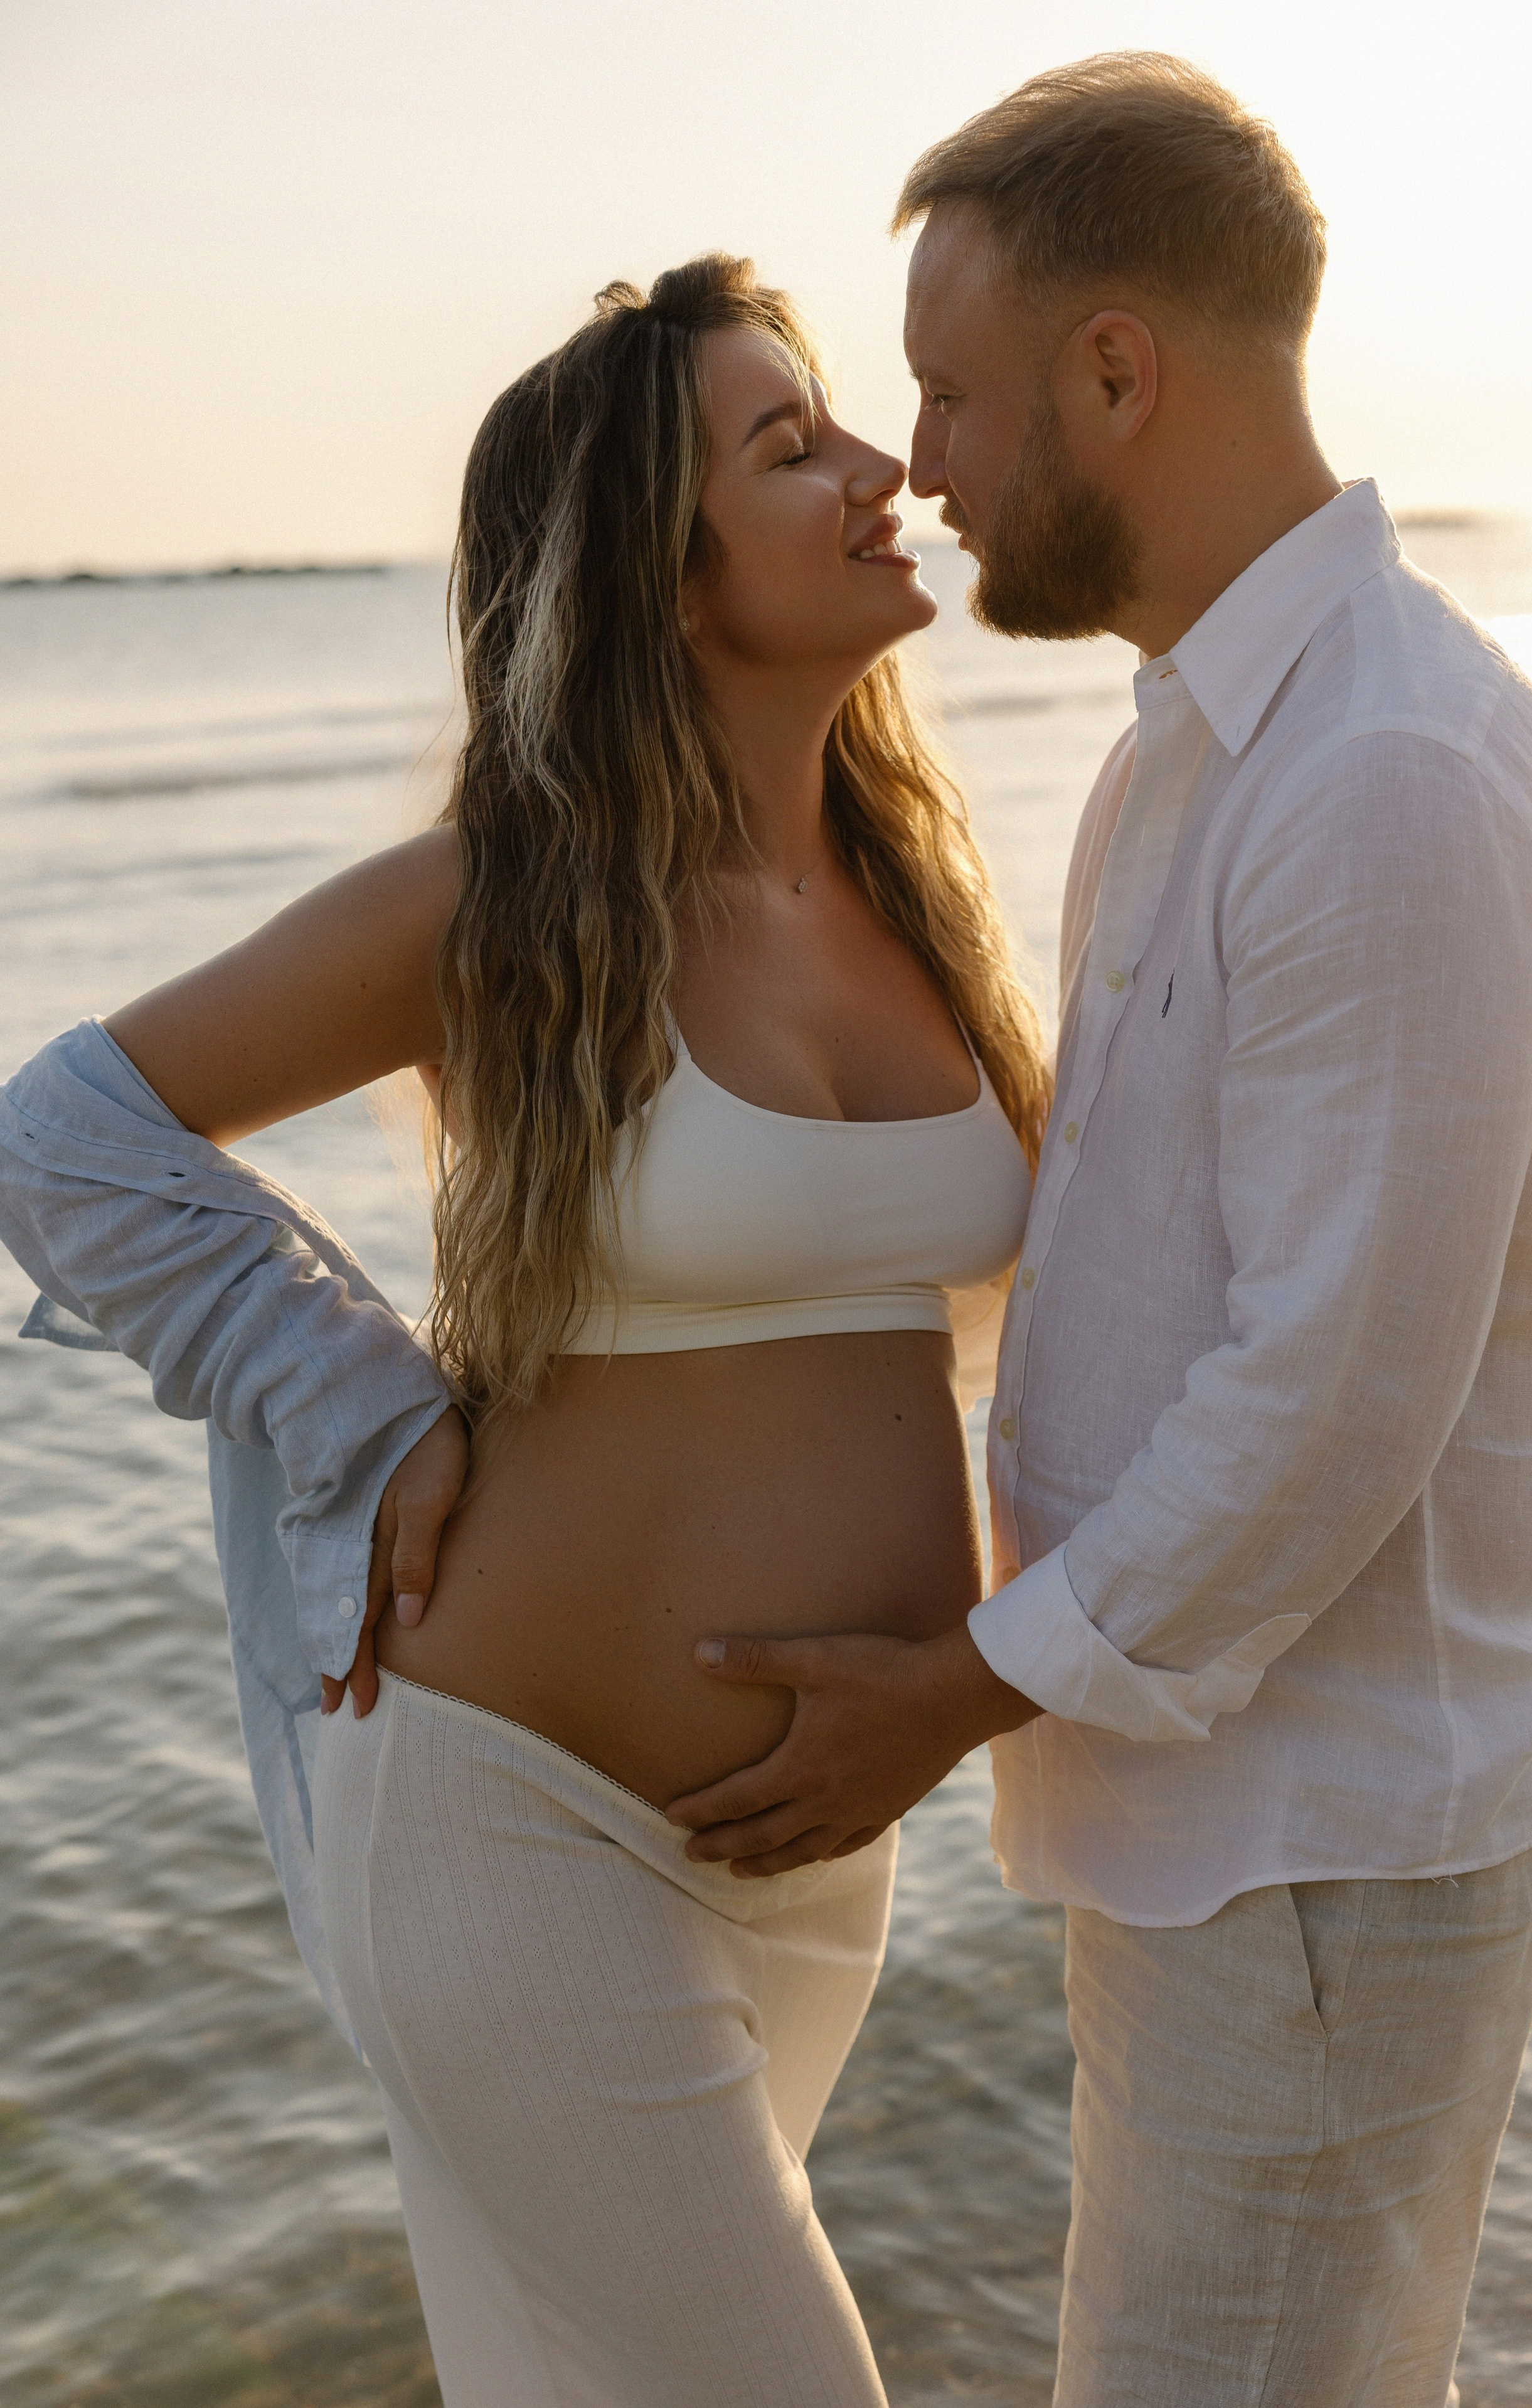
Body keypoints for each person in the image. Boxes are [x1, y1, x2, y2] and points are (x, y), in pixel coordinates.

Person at [0, 257, 1045, 2405]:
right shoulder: (513, 896)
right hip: (515, 1838)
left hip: (807, 1880)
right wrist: (356, 1394)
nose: (880, 472)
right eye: (792, 448)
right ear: (662, 579)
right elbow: (63, 1136)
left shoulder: (917, 900)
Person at [665, 56, 1532, 2406]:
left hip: (1321, 1848)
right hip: (1228, 1832)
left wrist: (949, 1691)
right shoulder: (1205, 741)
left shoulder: (1388, 780)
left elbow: (1330, 1404)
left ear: (1120, 371)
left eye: (956, 393)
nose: (928, 464)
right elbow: (1132, 1273)